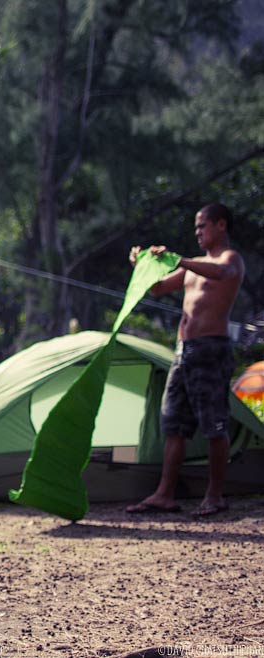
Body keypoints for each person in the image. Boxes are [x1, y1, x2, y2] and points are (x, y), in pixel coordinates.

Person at [125, 203, 245, 517]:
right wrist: (143, 265)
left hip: (211, 350)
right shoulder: (193, 267)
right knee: (174, 424)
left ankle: (215, 495)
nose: (198, 233)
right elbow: (158, 290)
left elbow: (221, 274)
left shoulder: (228, 260)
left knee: (214, 424)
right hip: (183, 352)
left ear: (221, 225)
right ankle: (164, 494)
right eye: (195, 228)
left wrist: (180, 259)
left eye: (202, 226)